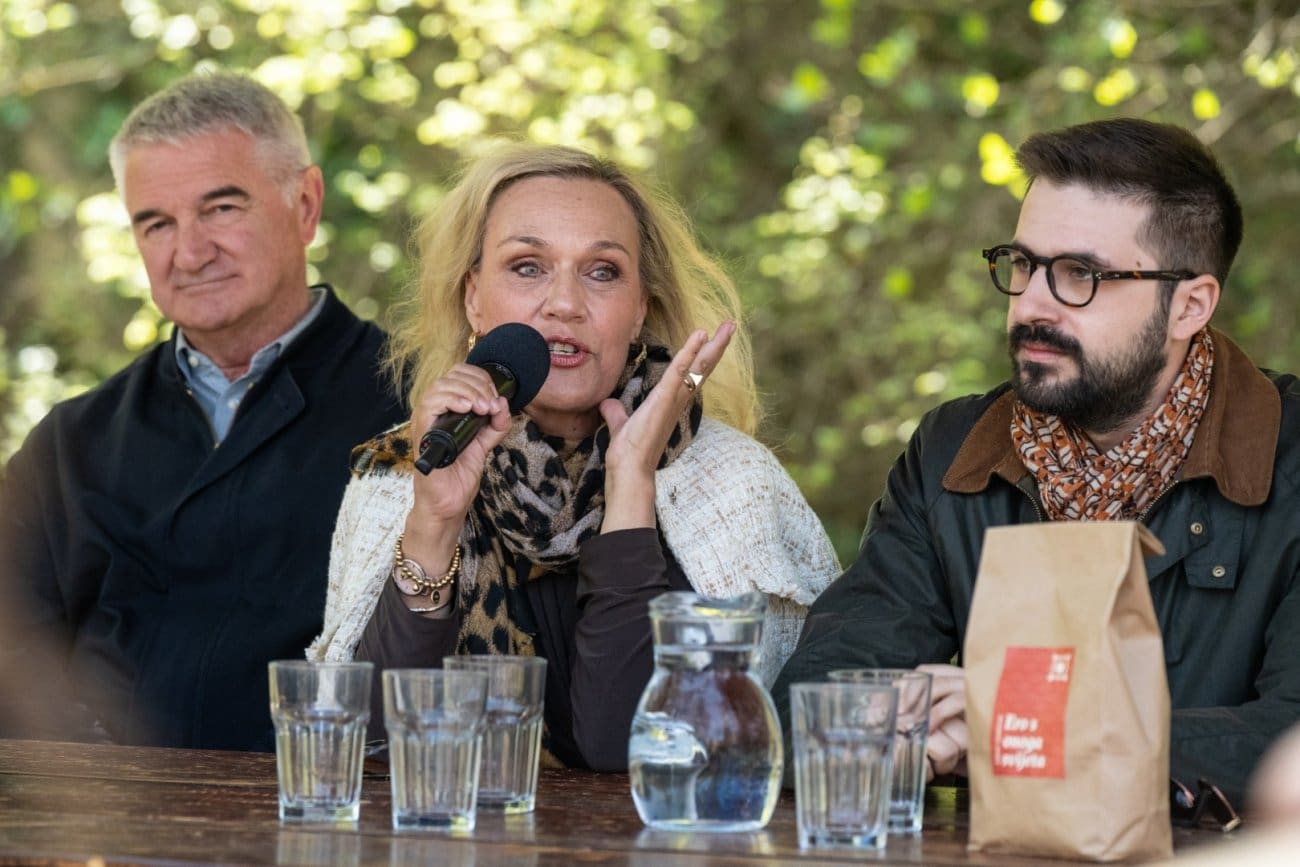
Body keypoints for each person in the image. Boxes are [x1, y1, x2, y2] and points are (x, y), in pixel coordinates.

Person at [772, 117, 1300, 804]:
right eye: (1022, 264)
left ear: (1189, 306)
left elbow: (1287, 739)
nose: (1031, 304)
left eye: (1081, 274)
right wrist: (902, 735)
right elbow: (815, 701)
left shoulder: (1290, 459)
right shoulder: (954, 453)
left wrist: (1028, 728)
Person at [309, 143, 840, 770]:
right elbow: (365, 742)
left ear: (640, 310)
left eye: (602, 272)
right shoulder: (400, 471)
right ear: (474, 296)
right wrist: (434, 521)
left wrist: (630, 485)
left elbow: (634, 748)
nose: (564, 302)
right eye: (528, 266)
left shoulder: (730, 484)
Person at [0, 71, 406, 749]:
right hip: (104, 805)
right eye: (157, 223)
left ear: (306, 205)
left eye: (221, 209)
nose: (189, 253)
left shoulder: (413, 410)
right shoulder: (70, 443)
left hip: (327, 799)